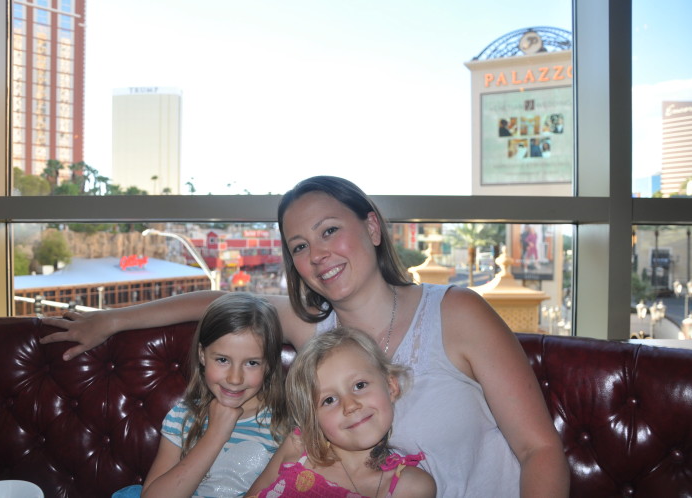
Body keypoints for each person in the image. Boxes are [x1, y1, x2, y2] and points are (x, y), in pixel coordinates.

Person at [42, 175, 570, 497]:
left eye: (328, 231)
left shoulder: (456, 313)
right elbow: (219, 303)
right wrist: (111, 320)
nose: (316, 255)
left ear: (371, 227)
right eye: (298, 246)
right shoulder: (315, 327)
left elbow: (539, 449)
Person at [113, 292, 289, 498]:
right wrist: (215, 435)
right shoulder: (182, 417)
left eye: (252, 363)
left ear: (269, 365)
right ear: (202, 355)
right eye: (223, 360)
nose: (235, 378)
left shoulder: (285, 425)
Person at [247, 326, 435, 497]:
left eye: (359, 385)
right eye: (329, 400)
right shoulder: (298, 446)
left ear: (391, 386)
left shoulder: (411, 486)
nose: (350, 405)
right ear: (313, 418)